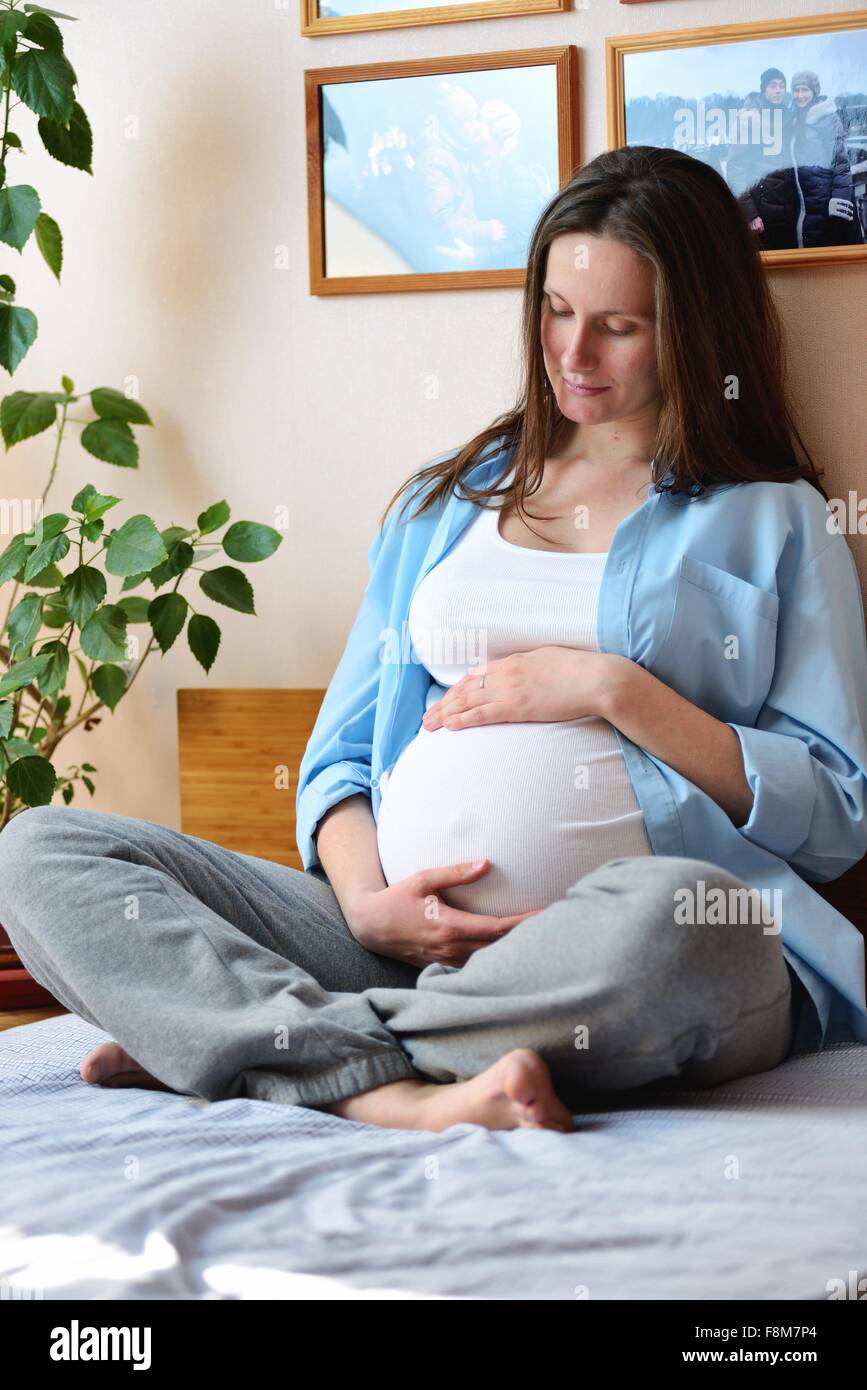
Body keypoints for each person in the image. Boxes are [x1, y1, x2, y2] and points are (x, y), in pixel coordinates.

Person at [1, 146, 866, 1137]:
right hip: (388, 943)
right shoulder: (444, 500)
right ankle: (395, 1081)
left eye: (620, 328)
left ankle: (244, 1046)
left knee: (684, 931)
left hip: (615, 952)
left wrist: (615, 688)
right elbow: (336, 760)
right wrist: (368, 902)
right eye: (555, 311)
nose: (573, 355)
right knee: (39, 850)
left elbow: (838, 811)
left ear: (697, 326)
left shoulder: (776, 518)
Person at [789, 69, 864, 248]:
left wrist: (839, 200)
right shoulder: (795, 119)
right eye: (796, 90)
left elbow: (840, 163)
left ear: (814, 91)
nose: (800, 95)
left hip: (824, 200)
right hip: (807, 202)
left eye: (805, 90)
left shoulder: (827, 118)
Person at [725, 66, 798, 248]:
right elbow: (736, 168)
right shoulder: (749, 118)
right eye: (773, 85)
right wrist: (750, 214)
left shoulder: (787, 115)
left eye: (781, 85)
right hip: (763, 210)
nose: (778, 90)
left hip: (788, 208)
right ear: (763, 89)